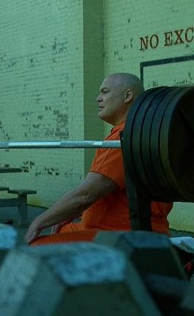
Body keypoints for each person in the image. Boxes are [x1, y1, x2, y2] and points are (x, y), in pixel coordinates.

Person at [24, 73, 173, 245]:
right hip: (113, 228)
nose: (98, 98)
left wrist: (39, 221)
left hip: (118, 234)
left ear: (127, 96)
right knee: (62, 228)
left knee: (36, 247)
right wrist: (66, 215)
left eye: (105, 92)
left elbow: (86, 195)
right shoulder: (145, 134)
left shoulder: (125, 138)